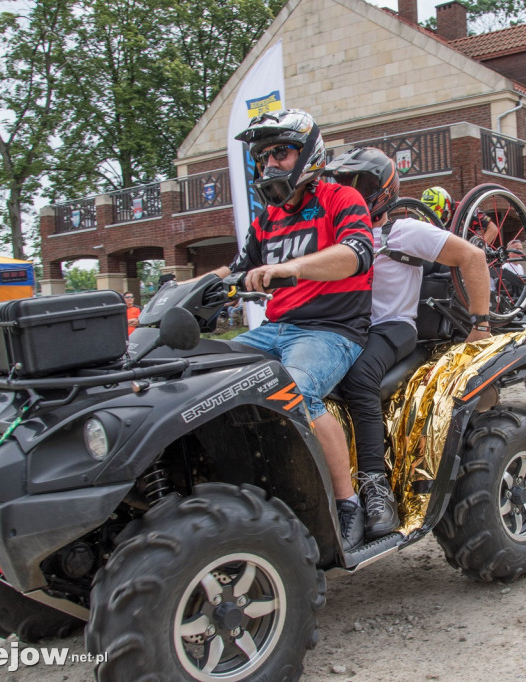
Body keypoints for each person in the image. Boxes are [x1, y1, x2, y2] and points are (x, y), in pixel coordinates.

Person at [210, 109, 375, 551]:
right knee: (204, 377)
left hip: (332, 330)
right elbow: (237, 270)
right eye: (264, 157)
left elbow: (356, 254)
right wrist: (188, 288)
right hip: (275, 329)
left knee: (297, 391)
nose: (270, 165)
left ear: (308, 153)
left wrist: (292, 267)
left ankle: (347, 503)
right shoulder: (268, 217)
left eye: (280, 153)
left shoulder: (341, 198)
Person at [329, 147, 491, 540]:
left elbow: (472, 256)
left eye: (360, 184)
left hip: (394, 328)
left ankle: (375, 488)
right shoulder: (334, 236)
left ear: (382, 191)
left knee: (359, 378)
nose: (350, 192)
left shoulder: (405, 231)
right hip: (348, 328)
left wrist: (481, 325)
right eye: (343, 184)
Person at [421, 186, 498, 244]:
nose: (436, 221)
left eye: (442, 216)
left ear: (447, 207)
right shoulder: (423, 217)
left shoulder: (463, 210)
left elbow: (493, 229)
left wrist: (480, 247)